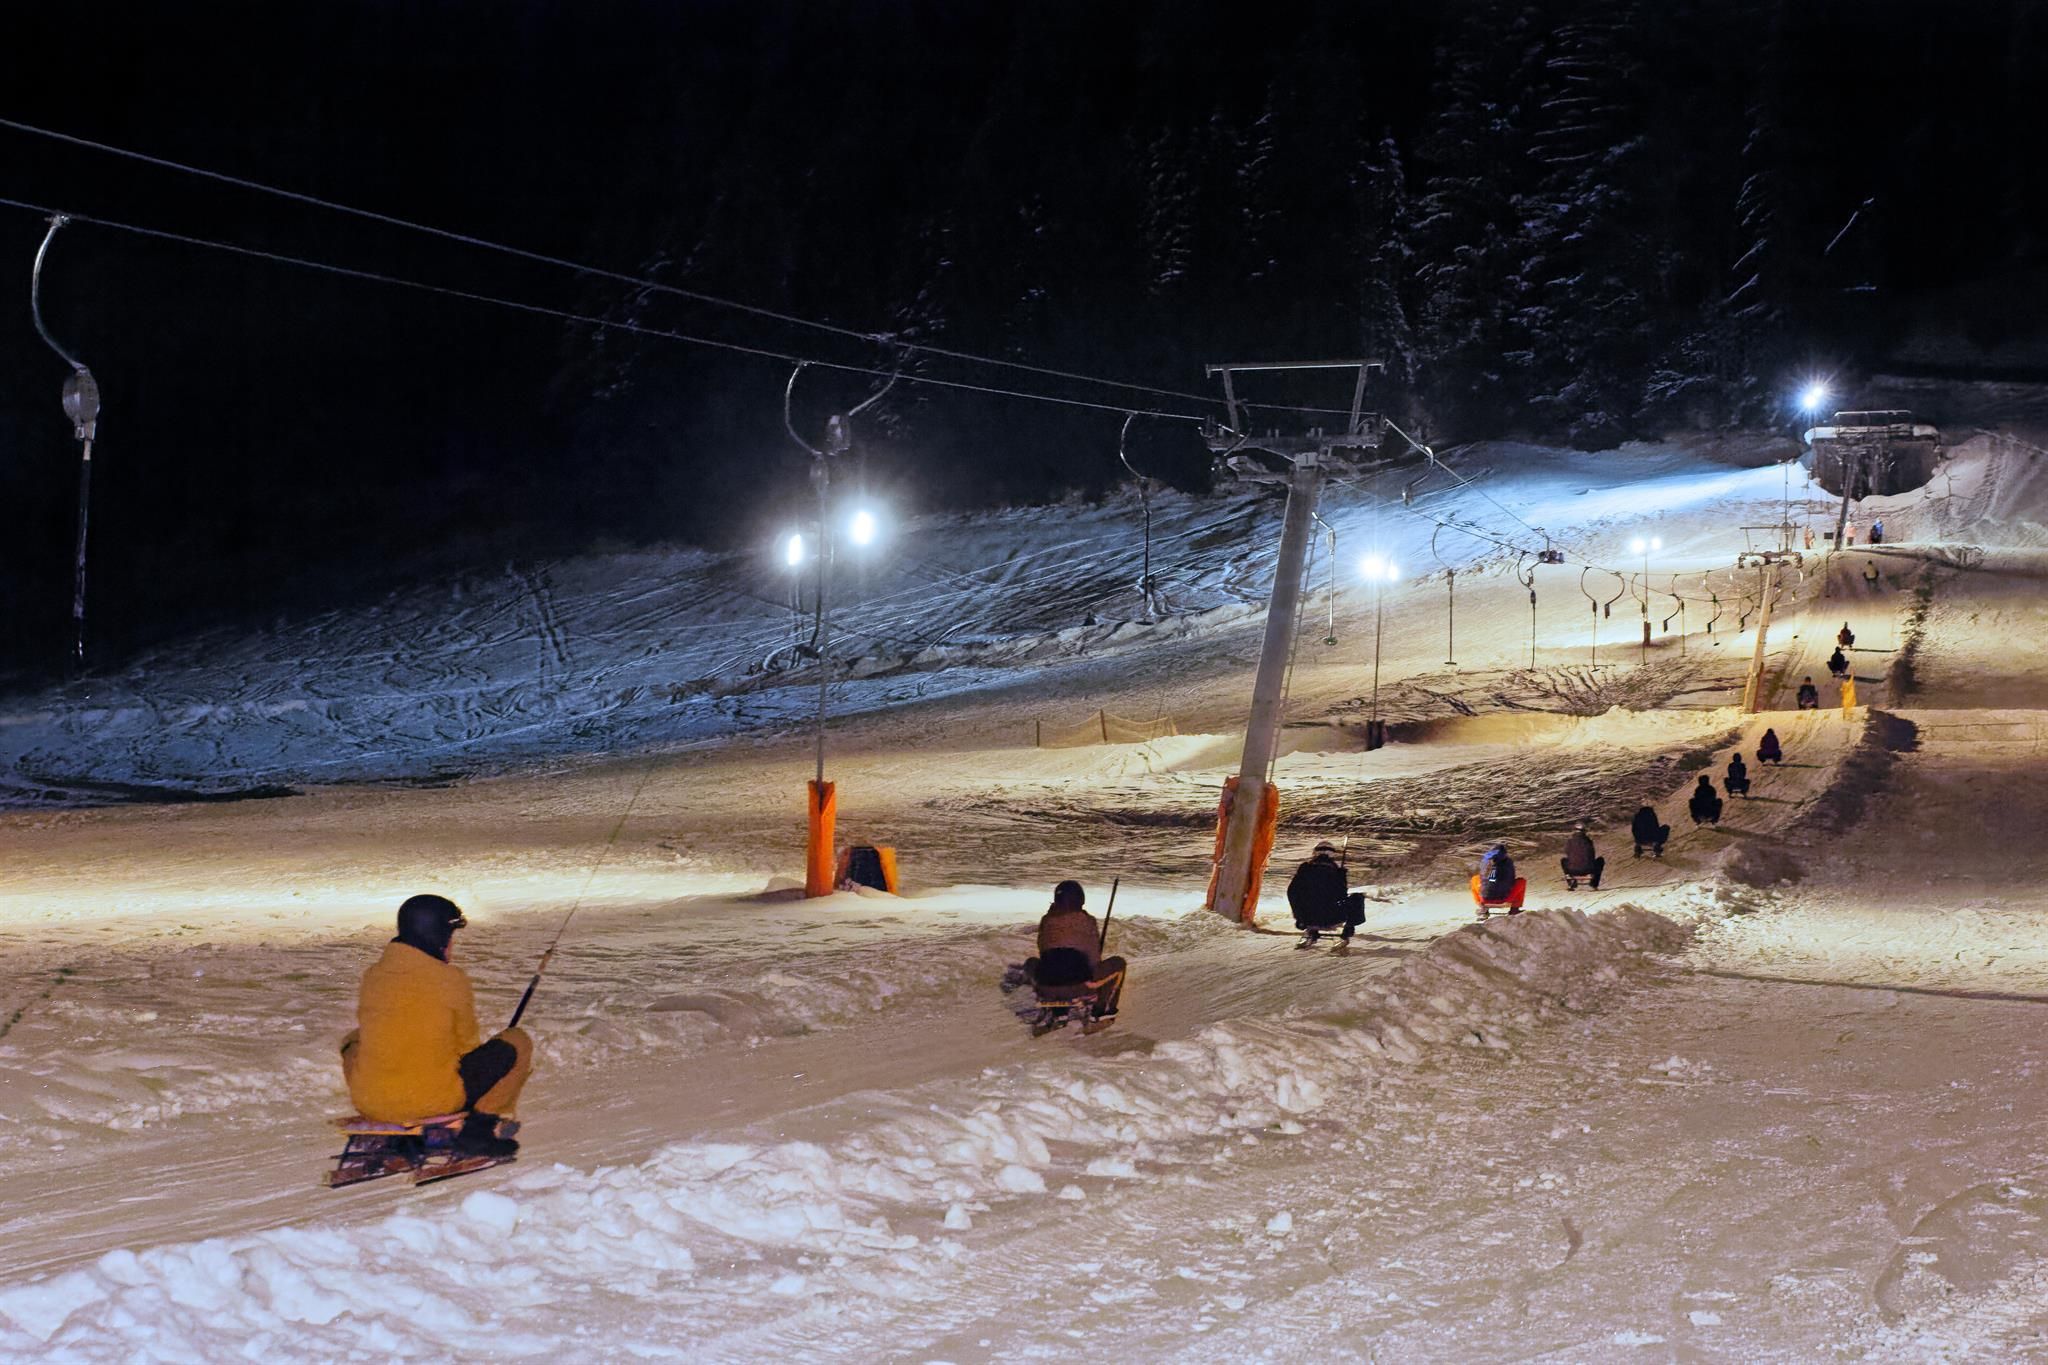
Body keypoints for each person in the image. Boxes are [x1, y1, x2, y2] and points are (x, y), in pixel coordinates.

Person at [341, 894, 530, 1157]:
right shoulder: (450, 979)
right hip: (433, 1102)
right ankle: (479, 1131)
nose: (451, 945)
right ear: (437, 936)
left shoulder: (373, 975)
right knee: (517, 1041)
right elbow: (466, 1046)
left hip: (369, 1102)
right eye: (450, 937)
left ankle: (395, 1117)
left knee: (354, 1039)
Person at [1025, 880, 1125, 1018]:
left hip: (1046, 987)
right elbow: (1094, 960)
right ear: (1081, 900)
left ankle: (1054, 1005)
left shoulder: (1046, 920)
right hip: (1079, 988)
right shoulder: (1088, 921)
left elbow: (1043, 951)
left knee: (1031, 962)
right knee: (1119, 964)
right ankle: (1102, 1010)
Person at [1286, 841, 1366, 943]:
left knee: (1303, 896)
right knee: (1357, 897)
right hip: (1332, 917)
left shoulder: (1304, 870)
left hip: (1307, 918)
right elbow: (1341, 894)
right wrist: (1342, 877)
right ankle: (1348, 928)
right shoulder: (1336, 873)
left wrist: (1299, 916)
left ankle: (1312, 930)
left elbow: (1292, 892)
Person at [1471, 843, 1526, 913]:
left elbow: (1488, 878)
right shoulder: (1508, 862)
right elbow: (1511, 878)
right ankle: (1514, 909)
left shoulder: (1485, 861)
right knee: (1521, 881)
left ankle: (1481, 905)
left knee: (1474, 879)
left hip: (1485, 899)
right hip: (1505, 898)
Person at [1560, 821, 1604, 889]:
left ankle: (1571, 882)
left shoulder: (1570, 841)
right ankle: (1594, 883)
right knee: (1600, 860)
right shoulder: (1588, 841)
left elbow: (1567, 853)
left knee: (1563, 860)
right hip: (1588, 869)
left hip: (1572, 870)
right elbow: (1592, 854)